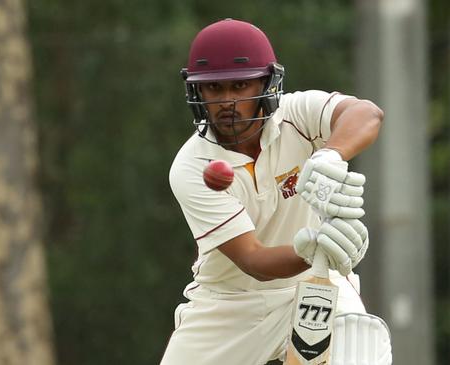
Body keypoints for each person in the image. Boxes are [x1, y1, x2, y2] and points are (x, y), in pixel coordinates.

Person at [162, 18, 390, 365]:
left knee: (360, 350)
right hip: (228, 304)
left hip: (313, 285)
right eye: (214, 88)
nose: (227, 101)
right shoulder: (191, 166)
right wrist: (314, 245)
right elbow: (253, 260)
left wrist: (331, 153)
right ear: (197, 92)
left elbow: (367, 114)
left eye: (240, 85)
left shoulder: (298, 114)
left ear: (268, 83)